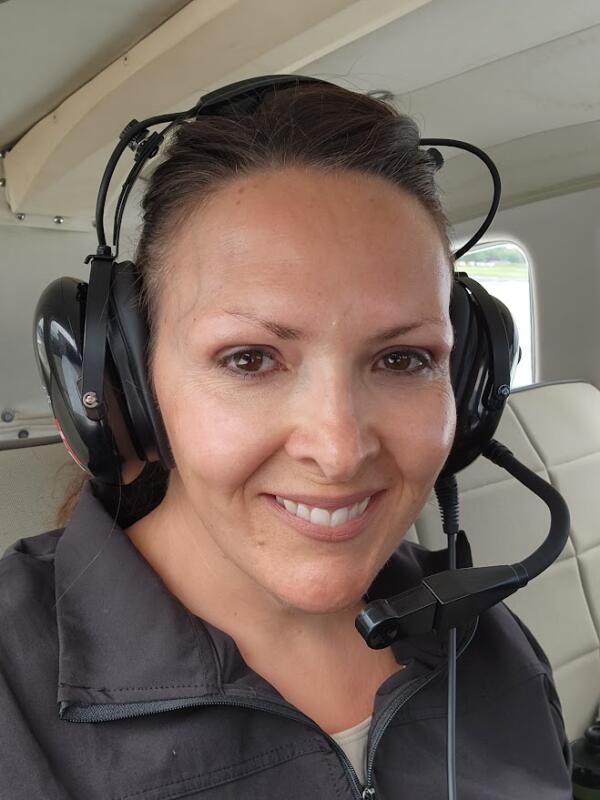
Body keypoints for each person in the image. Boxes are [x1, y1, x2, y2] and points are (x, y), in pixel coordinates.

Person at [0, 81, 572, 799]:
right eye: (249, 359)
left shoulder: (483, 640)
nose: (338, 450)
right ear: (128, 393)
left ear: (469, 386)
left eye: (403, 359)